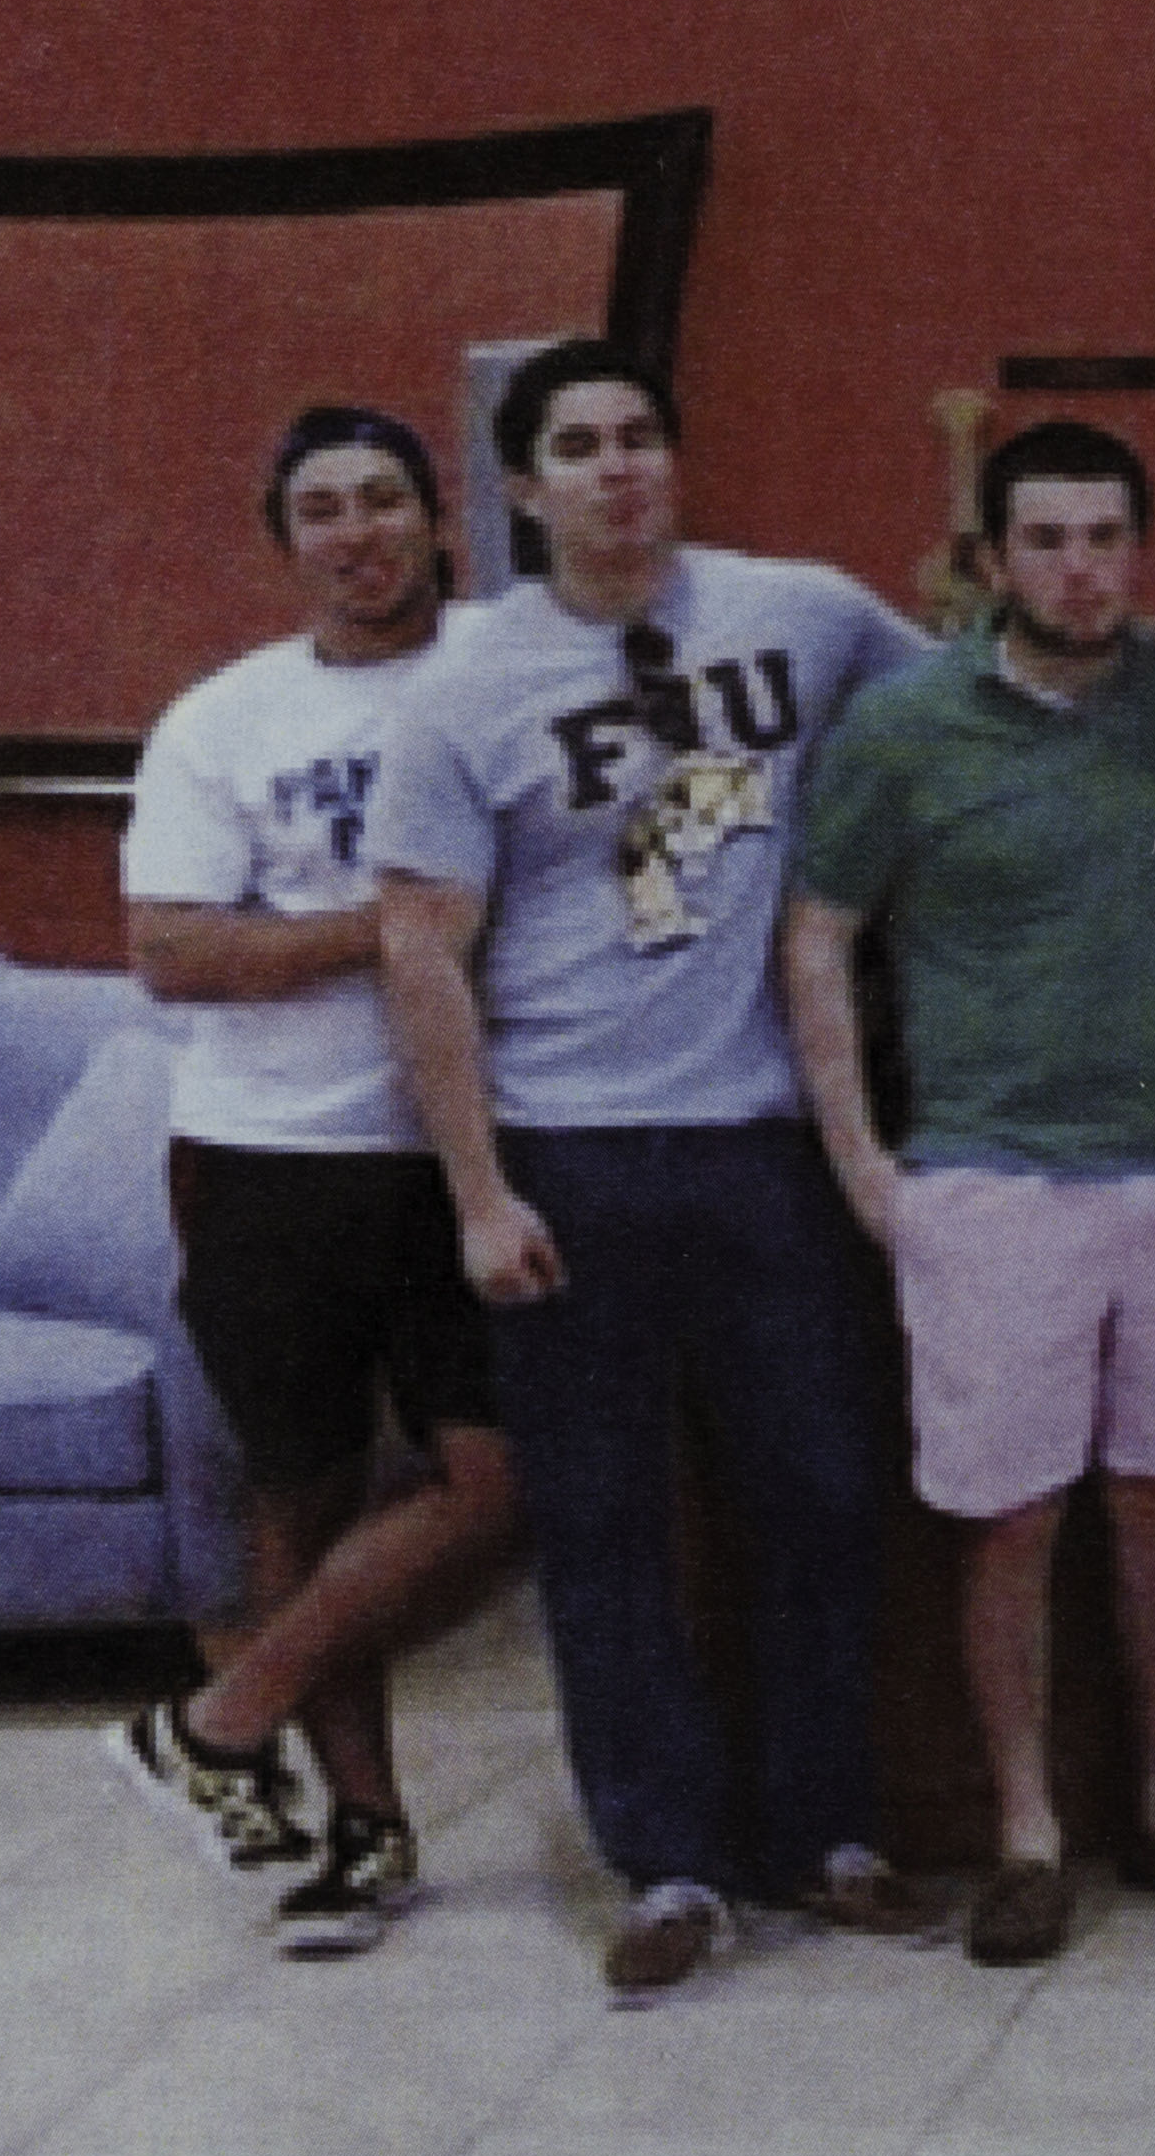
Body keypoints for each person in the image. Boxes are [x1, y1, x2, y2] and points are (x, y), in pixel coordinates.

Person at [367, 342, 938, 2001]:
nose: (617, 469)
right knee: (606, 1523)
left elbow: (972, 706)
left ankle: (825, 1834)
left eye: (640, 439)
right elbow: (420, 947)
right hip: (570, 1152)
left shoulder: (804, 614)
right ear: (524, 487)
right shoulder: (467, 688)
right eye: (578, 447)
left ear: (674, 464)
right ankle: (671, 1864)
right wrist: (479, 1191)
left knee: (823, 1491)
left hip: (762, 1144)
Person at [781, 419, 1155, 1968]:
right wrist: (866, 1162)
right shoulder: (902, 729)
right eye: (1048, 541)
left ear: (1142, 550)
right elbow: (816, 938)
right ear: (992, 560)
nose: (1080, 568)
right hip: (993, 1182)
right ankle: (1025, 1830)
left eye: (1106, 538)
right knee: (1010, 1517)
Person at [113, 406, 525, 1953]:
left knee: (505, 1479)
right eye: (323, 509)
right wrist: (396, 924)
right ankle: (360, 1830)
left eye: (383, 500)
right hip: (270, 1161)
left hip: (467, 1154)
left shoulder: (509, 666)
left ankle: (217, 1720)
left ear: (439, 519)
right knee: (307, 1488)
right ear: (287, 542)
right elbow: (172, 947)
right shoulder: (223, 722)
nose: (357, 531)